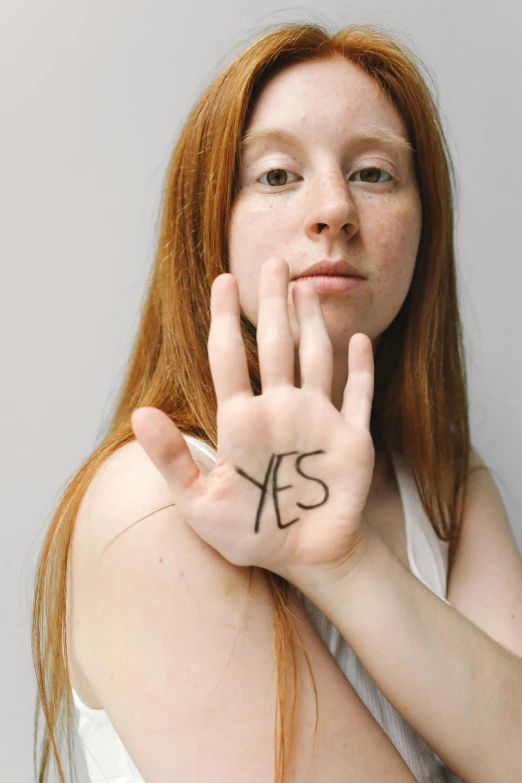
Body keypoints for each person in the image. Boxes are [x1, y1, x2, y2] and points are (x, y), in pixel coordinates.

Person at [31, 20, 522, 783]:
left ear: (427, 227)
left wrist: (347, 563)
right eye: (276, 176)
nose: (334, 210)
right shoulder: (152, 504)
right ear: (209, 225)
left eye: (374, 173)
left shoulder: (450, 482)